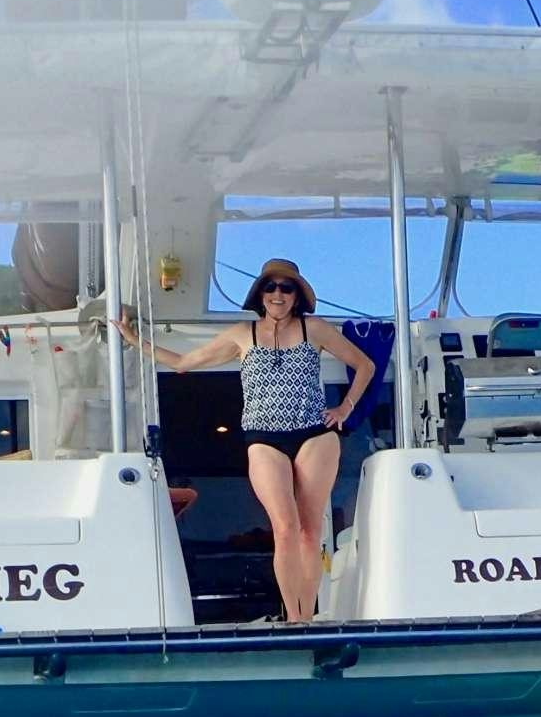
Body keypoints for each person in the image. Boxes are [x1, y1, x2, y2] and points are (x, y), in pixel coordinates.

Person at [115, 258, 376, 622]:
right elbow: (184, 362)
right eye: (271, 287)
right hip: (264, 437)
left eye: (286, 287)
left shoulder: (313, 328)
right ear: (260, 294)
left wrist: (345, 408)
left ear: (297, 295)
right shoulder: (242, 333)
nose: (278, 294)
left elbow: (365, 364)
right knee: (284, 528)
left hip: (314, 433)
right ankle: (294, 619)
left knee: (309, 529)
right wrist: (133, 341)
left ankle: (306, 618)